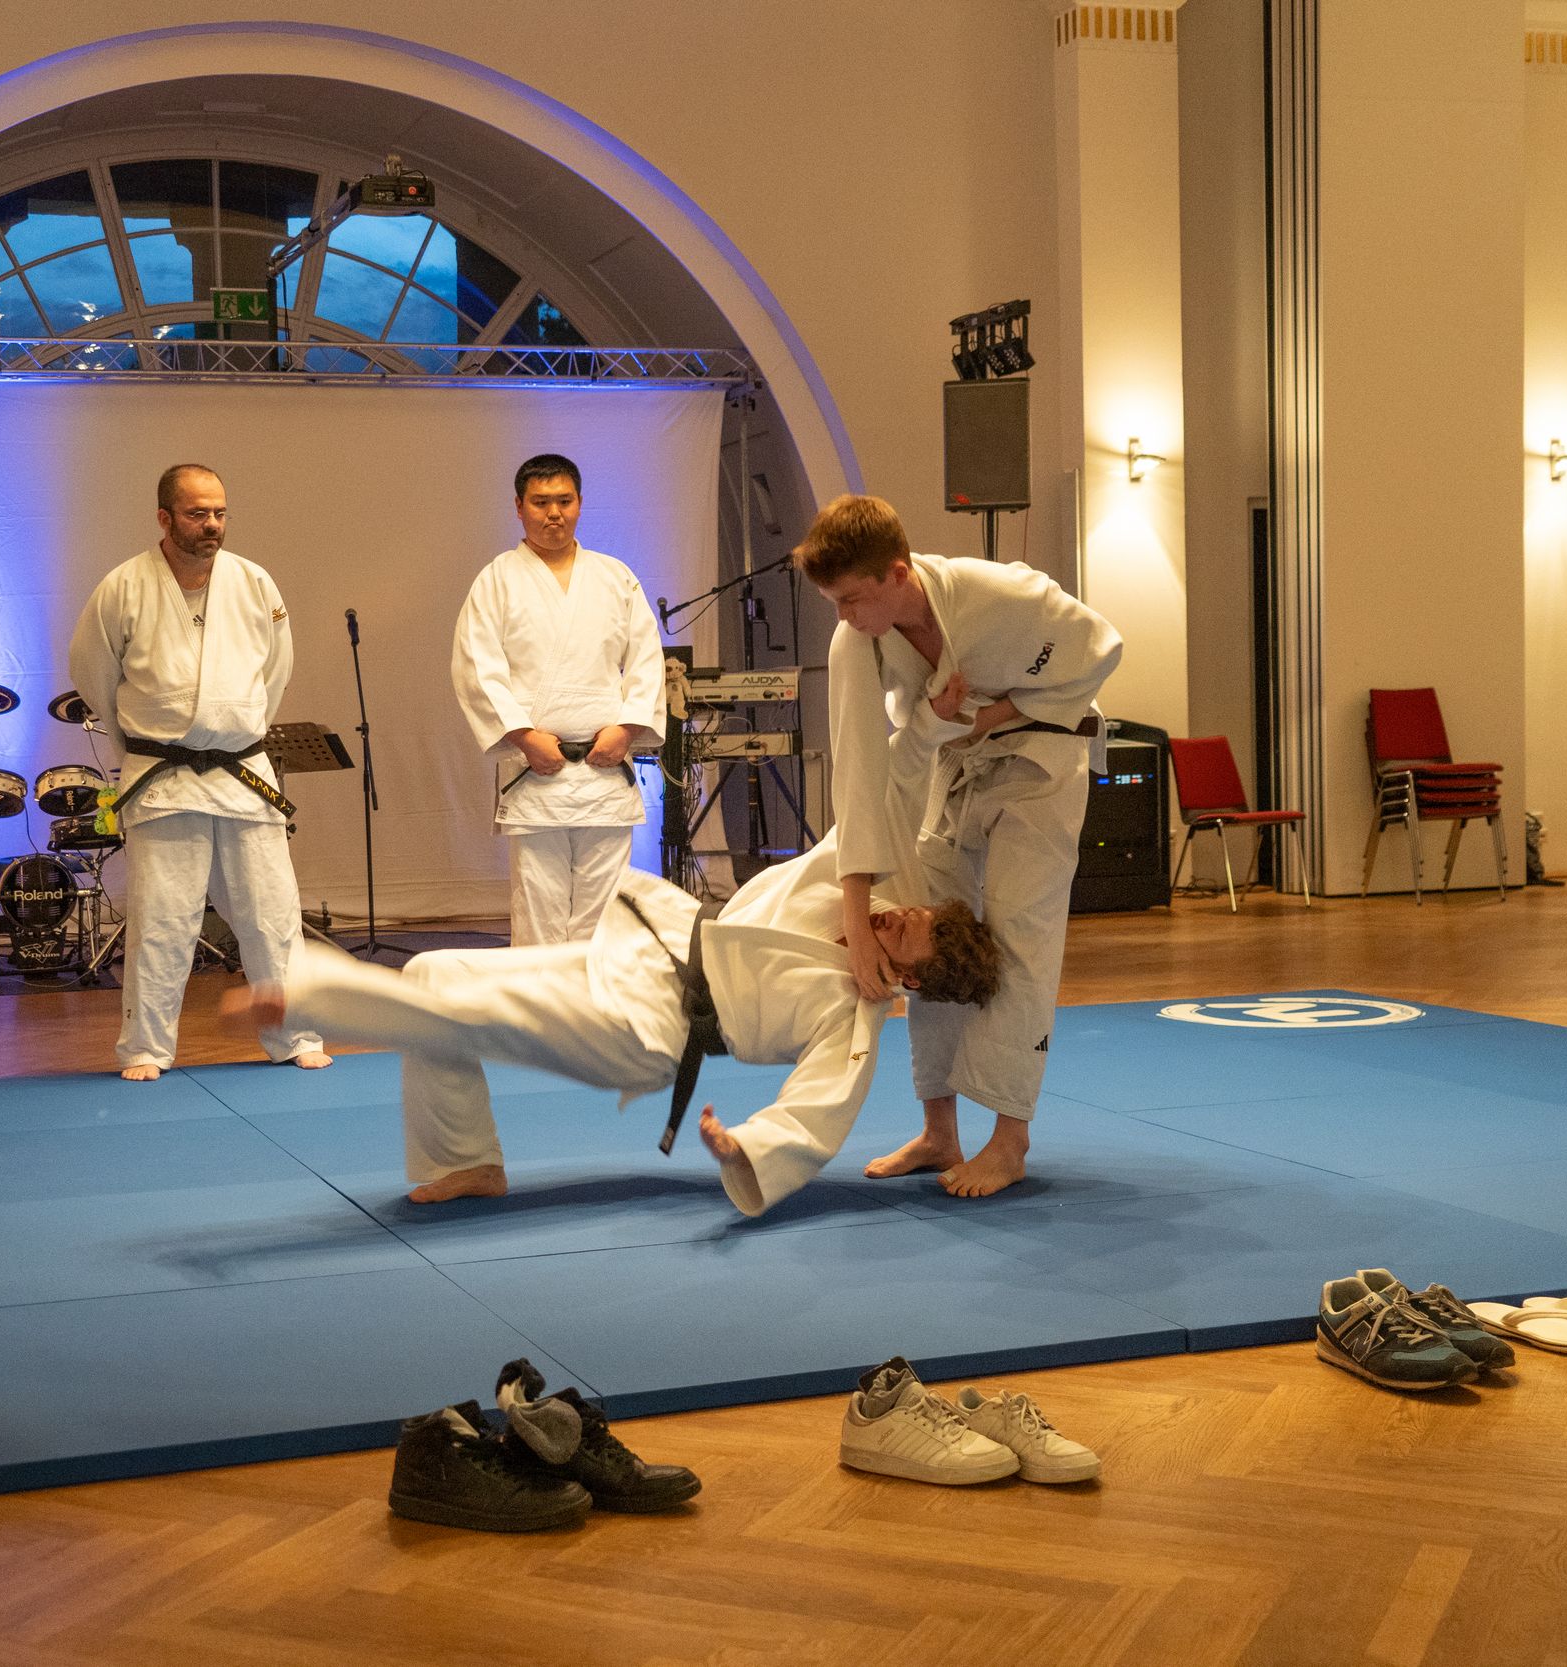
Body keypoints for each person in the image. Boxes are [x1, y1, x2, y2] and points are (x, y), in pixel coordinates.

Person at [222, 831, 1000, 1212]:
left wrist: (747, 1146)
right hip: (649, 950)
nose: (895, 915)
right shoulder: (851, 891)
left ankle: (310, 996)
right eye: (912, 911)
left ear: (910, 978)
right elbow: (877, 793)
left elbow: (819, 1109)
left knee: (466, 1012)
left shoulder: (852, 1017)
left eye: (909, 932)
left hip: (650, 1029)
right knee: (436, 973)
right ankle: (468, 1159)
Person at [795, 494, 1121, 1200]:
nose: (843, 616)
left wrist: (997, 711)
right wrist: (858, 917)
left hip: (1042, 758)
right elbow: (859, 776)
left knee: (1021, 935)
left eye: (852, 599)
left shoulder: (996, 596)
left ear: (898, 574)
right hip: (949, 762)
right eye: (834, 602)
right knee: (928, 932)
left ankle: (1010, 1140)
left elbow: (1101, 648)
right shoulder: (854, 642)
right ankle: (938, 1131)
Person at [69, 463, 327, 1080]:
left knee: (272, 916)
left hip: (241, 771)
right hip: (163, 776)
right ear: (165, 517)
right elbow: (95, 675)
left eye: (219, 513)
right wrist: (142, 741)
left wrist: (235, 725)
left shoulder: (255, 582)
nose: (211, 524)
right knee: (161, 922)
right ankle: (146, 1047)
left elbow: (276, 672)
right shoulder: (123, 587)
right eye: (196, 513)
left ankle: (295, 1034)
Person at [451, 453, 666, 943]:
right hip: (536, 769)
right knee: (538, 911)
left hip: (604, 767)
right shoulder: (497, 579)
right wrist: (525, 738)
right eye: (541, 502)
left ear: (580, 504)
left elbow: (646, 659)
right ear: (519, 507)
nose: (554, 513)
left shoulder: (615, 577)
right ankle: (542, 997)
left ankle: (596, 995)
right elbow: (477, 667)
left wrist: (627, 730)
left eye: (564, 501)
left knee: (606, 914)